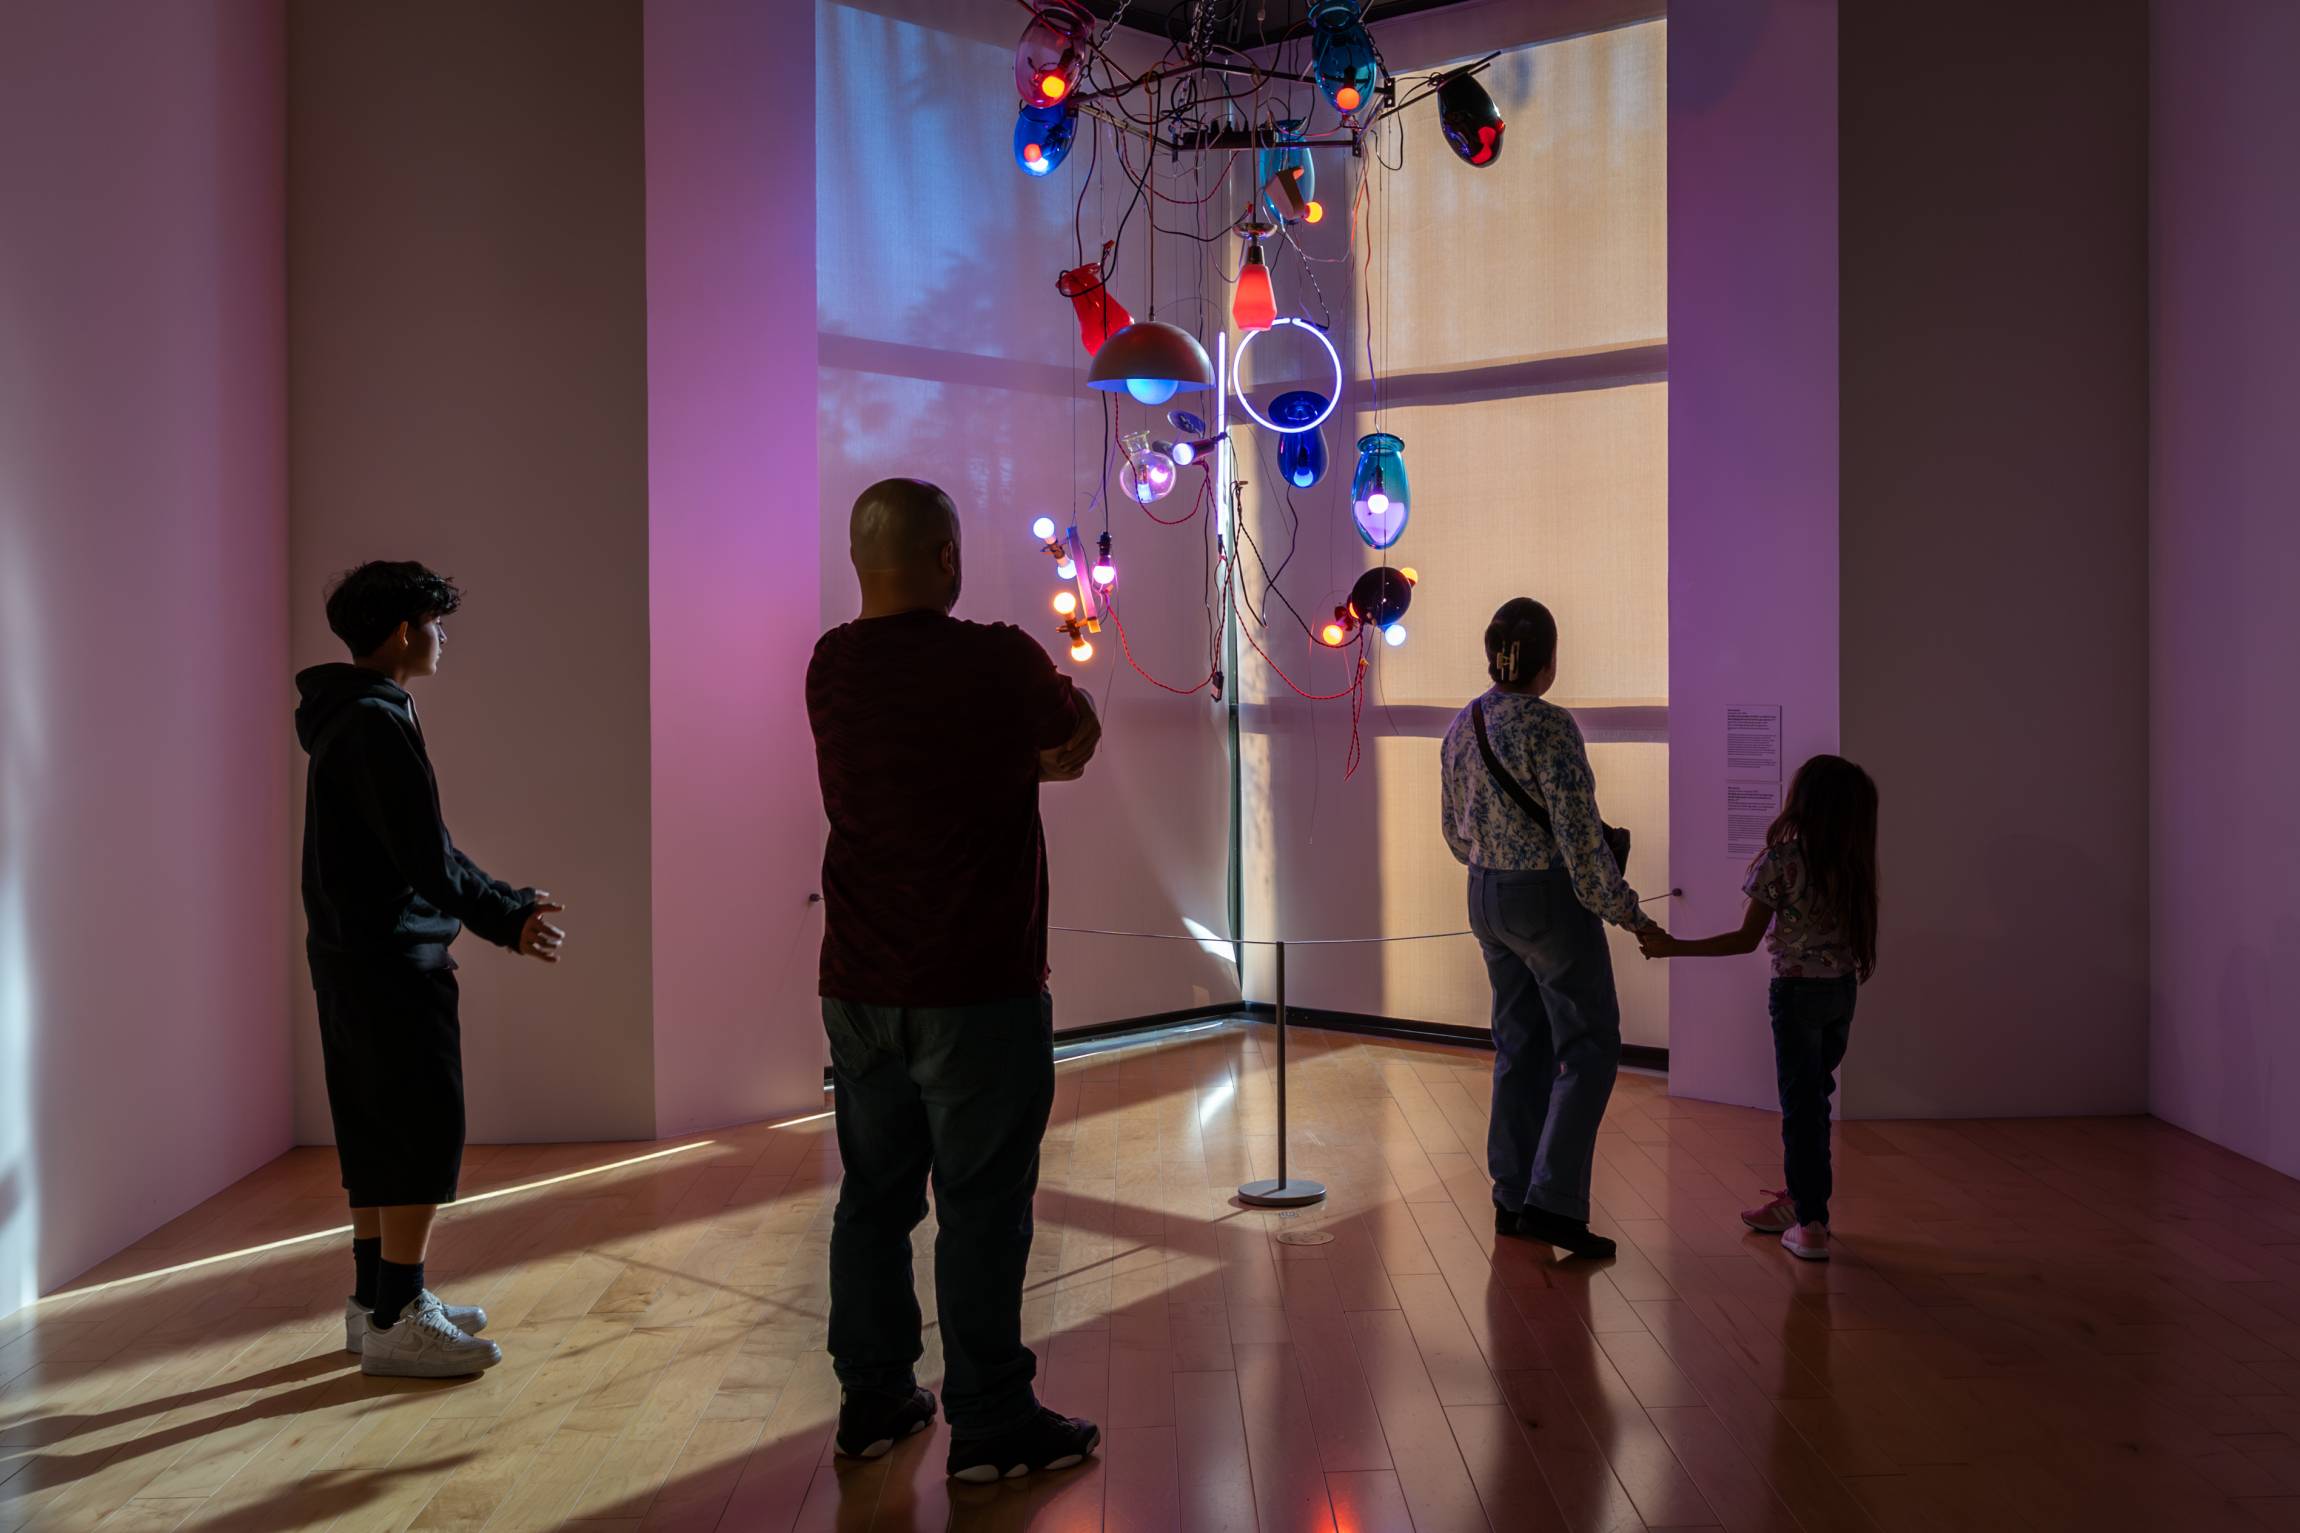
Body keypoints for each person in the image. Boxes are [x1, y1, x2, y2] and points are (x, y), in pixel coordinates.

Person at [806, 478, 1104, 1483]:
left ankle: (874, 1400)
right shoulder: (999, 659)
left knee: (872, 1198)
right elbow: (1071, 735)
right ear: (947, 557)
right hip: (978, 984)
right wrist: (1027, 757)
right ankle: (989, 1420)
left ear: (858, 561)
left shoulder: (831, 666)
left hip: (857, 982)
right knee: (981, 1206)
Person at [295, 561, 566, 1378]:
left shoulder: (350, 713)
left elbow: (427, 849)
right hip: (391, 961)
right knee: (417, 1132)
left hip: (350, 955)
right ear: (403, 632)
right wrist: (507, 916)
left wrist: (503, 903)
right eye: (434, 624)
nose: (442, 637)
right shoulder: (375, 721)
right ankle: (399, 1317)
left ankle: (376, 1300)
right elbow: (426, 857)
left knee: (376, 1128)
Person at [1441, 598, 1654, 1260]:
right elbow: (1582, 845)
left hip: (1484, 893)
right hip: (1547, 899)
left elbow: (1454, 832)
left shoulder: (1465, 721)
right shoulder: (1552, 727)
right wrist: (1631, 915)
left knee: (1519, 1043)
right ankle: (1554, 1201)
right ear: (1549, 660)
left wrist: (1494, 865)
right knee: (1589, 1045)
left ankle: (1511, 1195)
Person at [1638, 755, 1879, 1262]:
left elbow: (1744, 940)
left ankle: (1809, 1222)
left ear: (1803, 801)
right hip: (1840, 991)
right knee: (1815, 1098)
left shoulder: (1783, 860)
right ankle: (1807, 1203)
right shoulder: (1854, 862)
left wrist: (1674, 947)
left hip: (1795, 994)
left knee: (1801, 1105)